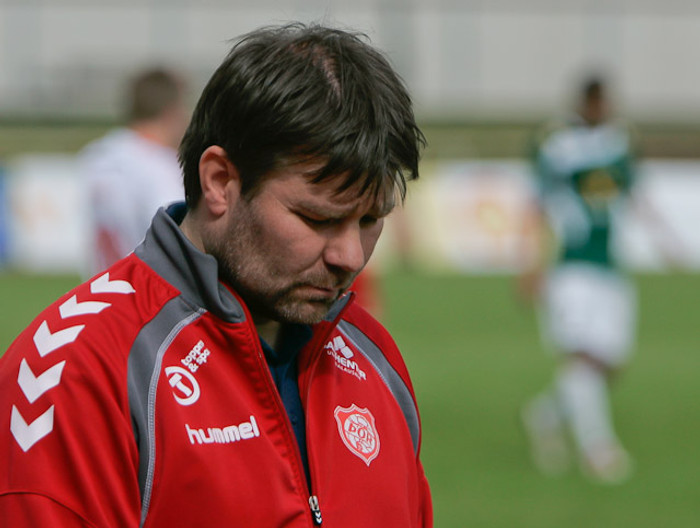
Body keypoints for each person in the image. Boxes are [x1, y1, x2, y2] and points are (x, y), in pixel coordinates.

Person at [0, 22, 432, 527]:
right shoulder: (78, 376)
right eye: (317, 218)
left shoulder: (373, 357)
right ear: (220, 181)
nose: (351, 256)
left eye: (370, 220)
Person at [519, 77, 642, 484]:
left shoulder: (619, 142)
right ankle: (598, 450)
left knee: (608, 364)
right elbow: (537, 205)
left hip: (610, 268)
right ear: (585, 103)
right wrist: (532, 264)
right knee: (581, 357)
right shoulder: (557, 145)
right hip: (571, 269)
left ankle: (544, 415)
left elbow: (633, 196)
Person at [79, 67, 190, 275]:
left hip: (100, 285)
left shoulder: (97, 155)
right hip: (145, 288)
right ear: (171, 113)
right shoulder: (160, 166)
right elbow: (177, 239)